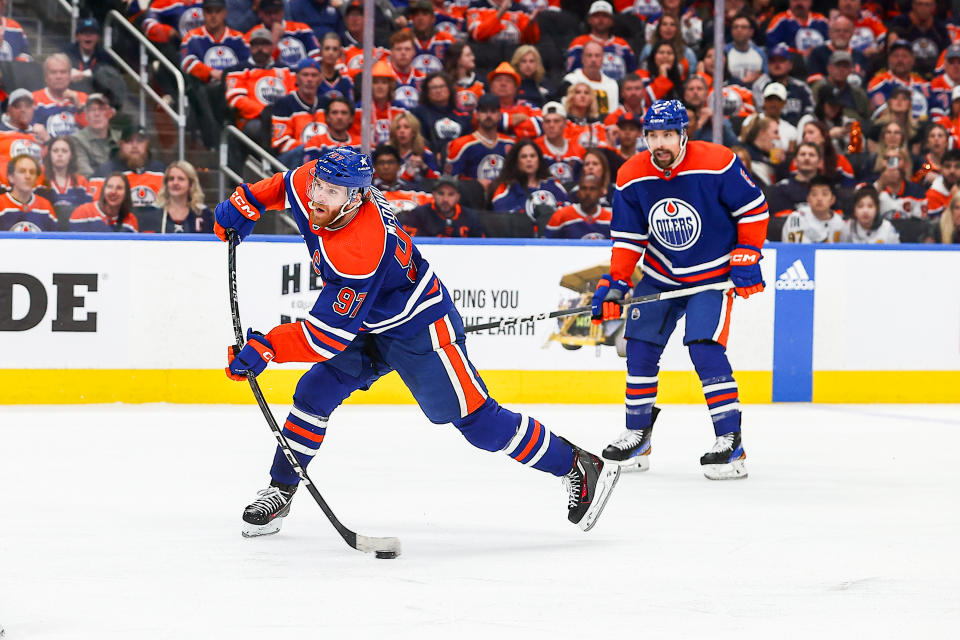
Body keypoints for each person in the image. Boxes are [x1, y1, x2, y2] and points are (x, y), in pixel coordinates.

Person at [213, 148, 620, 536]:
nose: (318, 197)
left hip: (418, 325)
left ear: (355, 199)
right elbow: (284, 185)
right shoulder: (314, 184)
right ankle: (280, 490)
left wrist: (268, 347)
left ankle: (575, 465)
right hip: (366, 322)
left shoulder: (360, 247)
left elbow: (326, 338)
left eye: (331, 193)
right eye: (318, 186)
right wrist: (245, 202)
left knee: (478, 423)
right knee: (314, 394)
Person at [591, 99, 768, 481]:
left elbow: (753, 209)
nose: (660, 143)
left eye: (668, 135)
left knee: (704, 348)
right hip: (661, 273)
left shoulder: (718, 161)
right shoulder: (631, 175)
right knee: (639, 346)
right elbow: (627, 237)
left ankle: (730, 442)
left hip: (713, 276)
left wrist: (748, 253)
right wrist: (616, 283)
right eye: (652, 135)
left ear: (684, 134)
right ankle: (638, 436)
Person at [180, 0, 250, 148]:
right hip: (203, 88)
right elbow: (186, 62)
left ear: (224, 13)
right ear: (203, 13)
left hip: (233, 88)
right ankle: (215, 143)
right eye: (208, 11)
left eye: (217, 11)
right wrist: (211, 72)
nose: (213, 16)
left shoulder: (238, 38)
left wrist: (228, 77)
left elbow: (248, 64)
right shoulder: (192, 37)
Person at [446, 93, 514, 190]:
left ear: (500, 115)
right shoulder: (461, 145)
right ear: (477, 115)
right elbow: (448, 180)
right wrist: (474, 184)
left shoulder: (510, 144)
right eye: (484, 111)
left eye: (493, 111)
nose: (488, 115)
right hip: (472, 201)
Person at [91, 125, 166, 211]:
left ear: (147, 144)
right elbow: (95, 210)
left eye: (139, 141)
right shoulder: (105, 172)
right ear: (121, 144)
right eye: (129, 141)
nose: (134, 146)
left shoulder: (161, 171)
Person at [490, 139, 570, 219]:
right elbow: (502, 219)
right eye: (524, 156)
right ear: (516, 162)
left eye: (532, 156)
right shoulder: (506, 189)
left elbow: (568, 212)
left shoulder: (553, 184)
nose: (529, 160)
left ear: (538, 160)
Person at [271, 58, 327, 166]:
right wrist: (312, 147)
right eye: (305, 75)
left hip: (321, 155)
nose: (309, 79)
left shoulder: (325, 103)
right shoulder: (284, 103)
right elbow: (281, 143)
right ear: (296, 78)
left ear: (320, 79)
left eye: (314, 75)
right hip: (292, 158)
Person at [567, 1, 636, 82]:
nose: (601, 19)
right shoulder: (579, 43)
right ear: (589, 20)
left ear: (612, 20)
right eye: (597, 16)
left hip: (618, 89)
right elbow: (572, 72)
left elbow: (632, 72)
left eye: (605, 16)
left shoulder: (622, 44)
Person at [138, 160, 213, 233]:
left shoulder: (203, 214)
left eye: (181, 179)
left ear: (191, 184)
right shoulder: (152, 212)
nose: (175, 182)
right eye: (171, 179)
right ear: (166, 184)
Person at [400, 175, 485, 237]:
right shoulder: (418, 214)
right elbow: (410, 243)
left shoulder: (470, 217)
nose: (445, 199)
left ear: (458, 197)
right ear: (433, 194)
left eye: (451, 194)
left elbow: (482, 246)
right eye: (441, 194)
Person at [246, 0, 320, 69]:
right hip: (273, 77)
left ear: (282, 12)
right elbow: (258, 65)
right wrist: (274, 37)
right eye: (268, 13)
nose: (273, 17)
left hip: (302, 76)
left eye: (276, 12)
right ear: (260, 14)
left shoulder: (301, 29)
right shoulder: (253, 35)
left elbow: (316, 57)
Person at [411, 72, 471, 154]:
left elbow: (468, 144)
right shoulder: (419, 113)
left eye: (442, 86)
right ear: (427, 92)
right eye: (433, 88)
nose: (438, 91)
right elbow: (419, 142)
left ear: (449, 89)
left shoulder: (463, 116)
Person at [33, 54, 88, 138]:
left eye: (63, 72)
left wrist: (79, 107)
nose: (58, 76)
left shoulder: (83, 98)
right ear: (45, 77)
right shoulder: (33, 99)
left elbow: (92, 131)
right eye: (53, 72)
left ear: (70, 75)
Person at [36, 136, 92, 220]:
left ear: (71, 155)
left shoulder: (81, 182)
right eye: (55, 151)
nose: (60, 154)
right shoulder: (39, 181)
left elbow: (88, 212)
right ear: (49, 154)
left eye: (64, 151)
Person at [562, 40, 619, 116]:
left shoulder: (612, 84)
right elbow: (565, 109)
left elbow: (613, 113)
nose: (593, 60)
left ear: (603, 58)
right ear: (582, 58)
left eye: (597, 55)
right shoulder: (571, 80)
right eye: (589, 55)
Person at [544, 174, 611, 239]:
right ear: (578, 192)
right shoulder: (561, 215)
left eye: (592, 189)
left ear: (600, 193)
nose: (587, 193)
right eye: (583, 188)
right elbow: (546, 245)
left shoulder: (610, 219)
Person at [781, 175, 844, 243]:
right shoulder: (797, 218)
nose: (819, 199)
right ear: (808, 199)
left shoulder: (839, 223)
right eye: (814, 194)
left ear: (833, 199)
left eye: (824, 194)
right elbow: (795, 248)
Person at [0, 155, 55, 231]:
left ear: (36, 179)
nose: (28, 176)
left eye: (32, 172)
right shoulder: (1, 204)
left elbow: (54, 240)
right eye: (22, 171)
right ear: (11, 177)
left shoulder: (45, 206)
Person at [535, 101, 586, 183]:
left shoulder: (578, 150)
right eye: (547, 121)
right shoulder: (534, 148)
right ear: (542, 124)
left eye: (556, 121)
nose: (551, 125)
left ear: (565, 123)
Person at [69, 172, 139, 232]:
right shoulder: (83, 212)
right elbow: (74, 245)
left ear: (126, 194)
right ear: (103, 190)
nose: (113, 192)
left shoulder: (131, 220)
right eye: (109, 187)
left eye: (119, 188)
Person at [69, 93, 118, 178]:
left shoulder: (121, 138)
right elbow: (86, 174)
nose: (97, 114)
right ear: (86, 115)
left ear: (110, 113)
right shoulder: (76, 140)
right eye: (92, 110)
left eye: (101, 109)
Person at [303, 97, 361, 162]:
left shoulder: (361, 144)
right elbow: (311, 170)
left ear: (351, 118)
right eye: (334, 112)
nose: (339, 117)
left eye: (344, 113)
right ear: (327, 117)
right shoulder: (315, 143)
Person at [389, 112, 440, 184]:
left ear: (414, 132)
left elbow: (437, 179)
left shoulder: (425, 153)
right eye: (398, 128)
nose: (401, 131)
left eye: (406, 127)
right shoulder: (386, 152)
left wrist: (424, 167)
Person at [408, 0, 456, 75]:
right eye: (416, 15)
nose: (420, 18)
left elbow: (454, 68)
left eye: (425, 14)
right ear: (412, 19)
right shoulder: (405, 37)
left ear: (433, 18)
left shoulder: (446, 39)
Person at [466, 0, 541, 45]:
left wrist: (531, 25)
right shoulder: (476, 7)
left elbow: (530, 41)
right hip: (486, 56)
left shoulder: (521, 10)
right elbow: (477, 34)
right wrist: (501, 13)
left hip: (513, 57)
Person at [724, 13, 767, 88]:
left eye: (743, 27)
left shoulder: (760, 52)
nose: (739, 30)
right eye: (735, 27)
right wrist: (742, 82)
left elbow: (766, 77)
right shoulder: (724, 51)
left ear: (751, 32)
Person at [443, 41, 483, 115]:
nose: (473, 58)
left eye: (472, 54)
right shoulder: (444, 83)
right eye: (468, 55)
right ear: (457, 59)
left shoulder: (480, 81)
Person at [925, 149, 960, 219]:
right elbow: (936, 226)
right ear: (941, 169)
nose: (952, 171)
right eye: (947, 166)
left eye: (957, 166)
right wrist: (953, 198)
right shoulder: (932, 194)